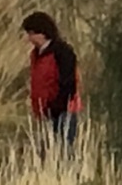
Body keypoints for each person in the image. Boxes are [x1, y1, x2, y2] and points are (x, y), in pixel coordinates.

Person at [22, 10, 81, 154]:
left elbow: (69, 83)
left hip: (62, 112)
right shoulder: (36, 55)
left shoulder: (63, 52)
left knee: (64, 152)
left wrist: (56, 106)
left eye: (31, 33)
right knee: (48, 153)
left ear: (42, 33)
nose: (29, 38)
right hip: (44, 113)